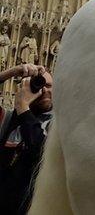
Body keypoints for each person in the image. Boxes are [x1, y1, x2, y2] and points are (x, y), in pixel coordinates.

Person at [0, 64, 53, 215]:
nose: (43, 90)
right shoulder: (9, 120)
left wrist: (23, 107)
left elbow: (42, 151)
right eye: (37, 85)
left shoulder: (59, 126)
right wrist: (11, 72)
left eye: (48, 85)